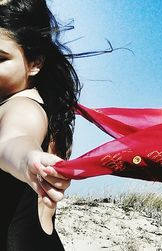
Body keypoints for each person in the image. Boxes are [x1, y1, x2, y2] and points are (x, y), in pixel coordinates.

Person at [0, 0, 81, 250]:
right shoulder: (42, 107)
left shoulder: (23, 107)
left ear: (35, 62)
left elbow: (13, 139)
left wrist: (28, 160)